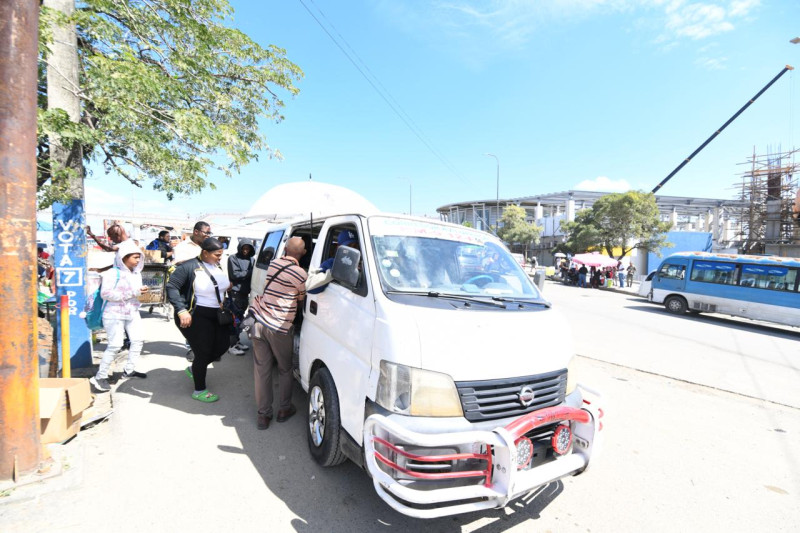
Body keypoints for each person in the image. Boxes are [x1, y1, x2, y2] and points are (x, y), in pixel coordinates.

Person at [249, 237, 307, 429]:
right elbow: (301, 300)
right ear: (303, 253)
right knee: (284, 368)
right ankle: (284, 408)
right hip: (280, 328)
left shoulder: (272, 264)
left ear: (285, 249)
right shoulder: (301, 274)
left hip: (259, 323)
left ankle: (263, 416)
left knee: (262, 370)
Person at [166, 237, 231, 403]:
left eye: (221, 254)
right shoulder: (188, 267)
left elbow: (217, 285)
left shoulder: (217, 265)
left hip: (216, 314)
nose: (220, 257)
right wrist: (181, 310)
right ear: (205, 252)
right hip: (196, 315)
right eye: (217, 254)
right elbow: (172, 287)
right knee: (203, 351)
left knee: (223, 344)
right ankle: (199, 390)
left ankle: (194, 368)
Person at [89, 240, 148, 392]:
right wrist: (133, 293)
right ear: (124, 257)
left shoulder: (137, 274)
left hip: (132, 312)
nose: (138, 260)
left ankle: (129, 370)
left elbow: (136, 293)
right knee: (115, 345)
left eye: (139, 257)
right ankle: (99, 377)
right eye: (135, 257)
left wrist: (141, 293)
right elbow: (106, 294)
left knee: (138, 340)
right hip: (113, 314)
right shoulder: (111, 273)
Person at [227, 238, 256, 355]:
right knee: (234, 320)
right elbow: (235, 275)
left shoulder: (252, 259)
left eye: (248, 248)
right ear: (240, 248)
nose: (245, 250)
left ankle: (237, 341)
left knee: (240, 318)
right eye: (244, 248)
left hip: (245, 294)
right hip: (235, 293)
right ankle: (231, 345)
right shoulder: (233, 258)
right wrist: (250, 272)